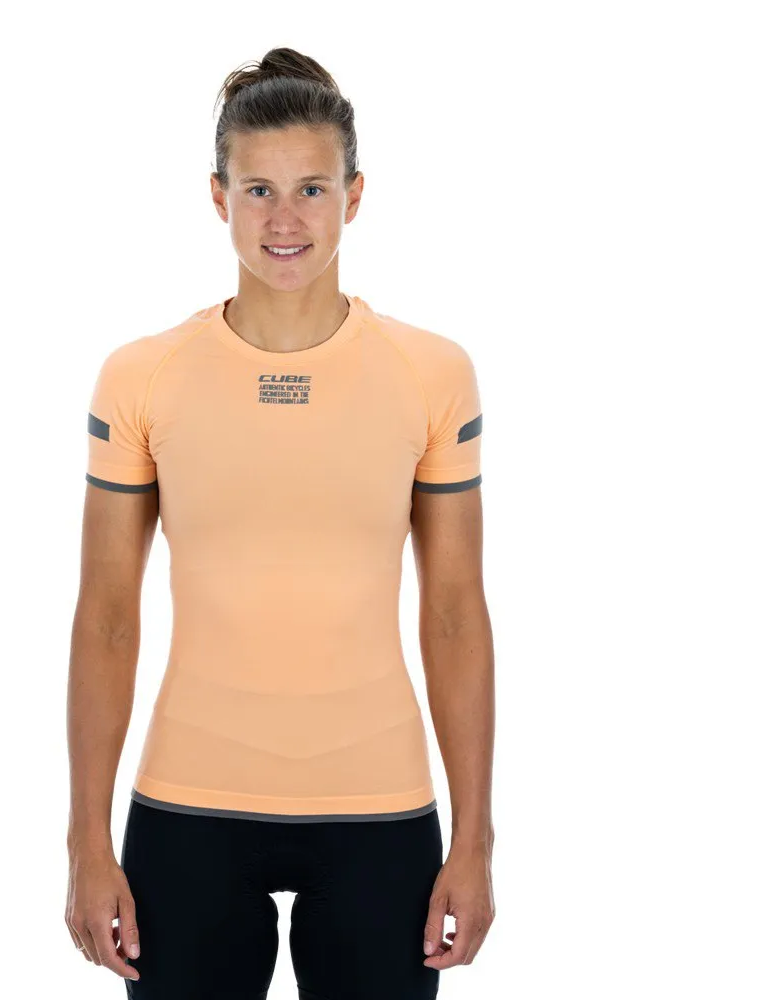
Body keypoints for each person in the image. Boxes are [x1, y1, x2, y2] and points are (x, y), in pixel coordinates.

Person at [65, 46, 496, 1000]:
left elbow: (456, 611)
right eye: (258, 190)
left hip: (380, 809)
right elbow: (106, 616)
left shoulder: (432, 374)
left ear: (355, 195)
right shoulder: (141, 377)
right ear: (219, 197)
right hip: (187, 808)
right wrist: (87, 842)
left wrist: (475, 840)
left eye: (312, 189)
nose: (285, 219)